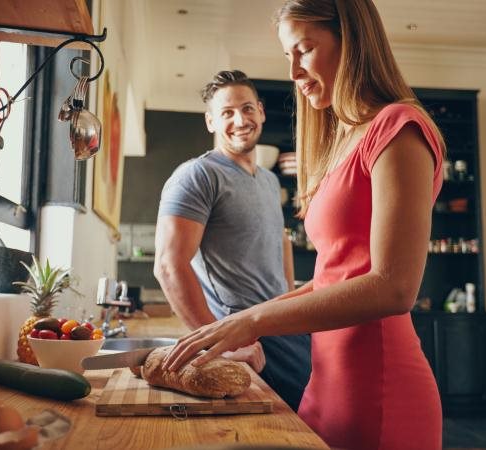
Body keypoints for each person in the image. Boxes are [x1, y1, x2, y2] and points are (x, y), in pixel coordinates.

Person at [161, 1, 445, 449]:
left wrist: (251, 320)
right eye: (287, 55)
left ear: (351, 42)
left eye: (305, 49)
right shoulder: (344, 141)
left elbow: (394, 287)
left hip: (378, 385)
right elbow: (333, 277)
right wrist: (240, 324)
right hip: (327, 379)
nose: (294, 71)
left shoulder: (398, 127)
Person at [154, 70, 312, 412]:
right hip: (245, 337)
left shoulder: (269, 181)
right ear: (210, 122)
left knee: (314, 426)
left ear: (261, 112)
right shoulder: (198, 175)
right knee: (277, 434)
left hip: (286, 329)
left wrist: (287, 304)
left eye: (247, 108)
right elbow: (169, 266)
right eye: (227, 113)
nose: (240, 120)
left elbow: (280, 239)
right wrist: (219, 345)